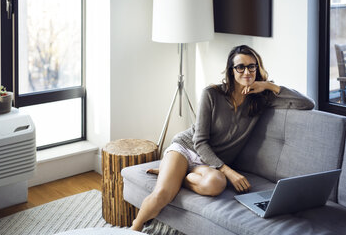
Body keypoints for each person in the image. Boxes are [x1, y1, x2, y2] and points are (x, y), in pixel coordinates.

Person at [130, 45, 315, 231]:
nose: (247, 72)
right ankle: (134, 229)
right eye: (240, 67)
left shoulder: (262, 98)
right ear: (231, 70)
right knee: (163, 193)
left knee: (216, 184)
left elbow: (307, 103)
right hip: (187, 148)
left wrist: (268, 85)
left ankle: (177, 175)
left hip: (210, 164)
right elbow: (200, 142)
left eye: (252, 66)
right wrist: (230, 172)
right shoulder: (211, 94)